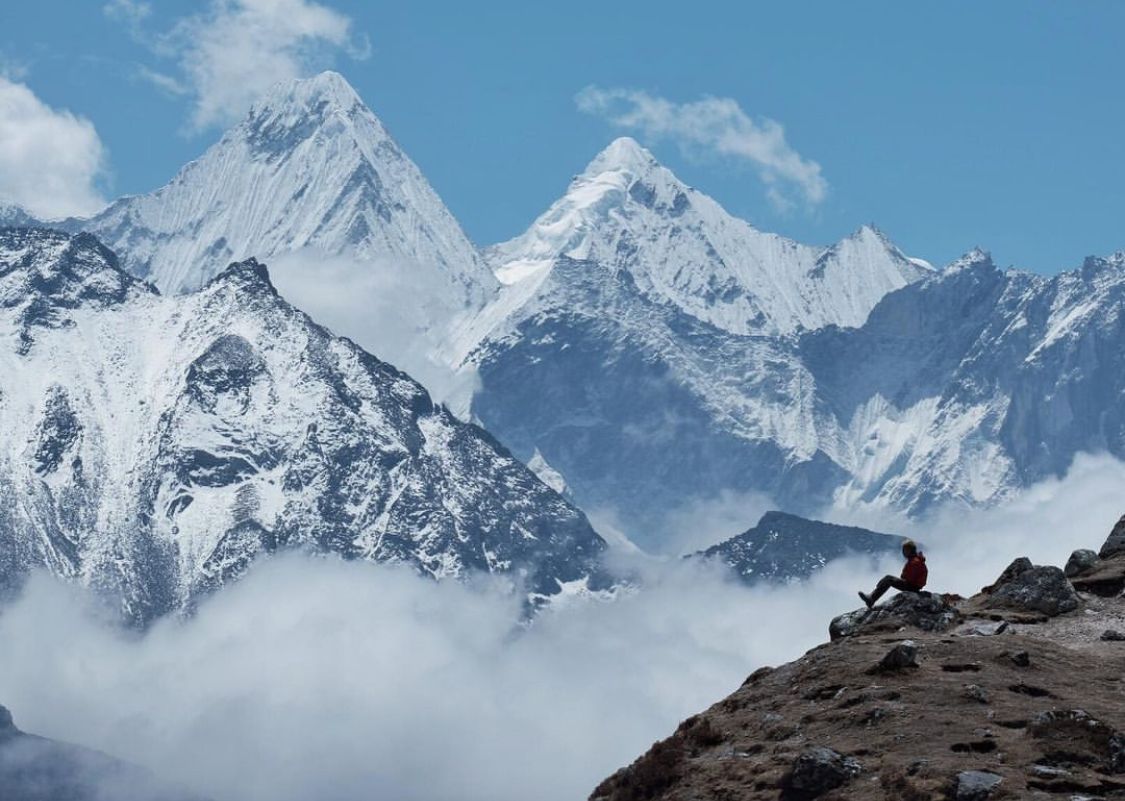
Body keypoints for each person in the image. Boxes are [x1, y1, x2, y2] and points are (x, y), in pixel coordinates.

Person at [859, 539, 927, 609]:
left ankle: (871, 599)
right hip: (914, 586)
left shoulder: (914, 562)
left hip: (912, 587)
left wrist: (903, 578)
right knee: (888, 579)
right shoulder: (915, 560)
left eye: (904, 550)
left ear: (909, 550)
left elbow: (908, 578)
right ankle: (872, 597)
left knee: (888, 579)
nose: (903, 552)